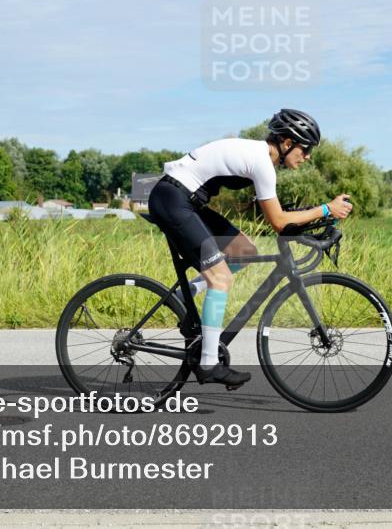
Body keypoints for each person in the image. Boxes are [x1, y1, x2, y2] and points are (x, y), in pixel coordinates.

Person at [146, 109, 354, 388]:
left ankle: (185, 296)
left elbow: (280, 214)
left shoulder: (259, 158)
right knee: (221, 277)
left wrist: (320, 215)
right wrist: (326, 209)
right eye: (305, 150)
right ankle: (208, 364)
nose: (307, 157)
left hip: (184, 199)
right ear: (287, 142)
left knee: (244, 250)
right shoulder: (262, 163)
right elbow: (280, 223)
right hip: (173, 200)